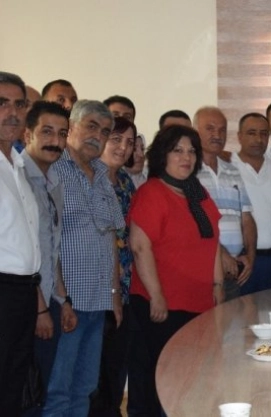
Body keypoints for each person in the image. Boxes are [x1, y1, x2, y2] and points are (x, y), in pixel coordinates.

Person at [128, 124, 224, 415]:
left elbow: (212, 241)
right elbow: (139, 247)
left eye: (192, 151)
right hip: (162, 305)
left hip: (199, 304)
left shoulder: (198, 192)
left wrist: (218, 285)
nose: (186, 157)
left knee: (191, 377)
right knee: (158, 379)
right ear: (162, 155)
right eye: (178, 151)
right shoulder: (152, 192)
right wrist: (156, 295)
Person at [44, 100, 125, 416]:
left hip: (98, 302)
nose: (98, 136)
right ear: (72, 127)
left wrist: (115, 295)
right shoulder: (53, 170)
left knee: (85, 388)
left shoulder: (103, 176)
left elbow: (111, 240)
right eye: (91, 126)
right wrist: (61, 298)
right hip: (67, 303)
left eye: (104, 131)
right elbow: (47, 240)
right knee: (58, 390)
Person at [20, 101, 78, 417]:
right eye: (47, 132)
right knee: (24, 392)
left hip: (48, 300)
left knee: (40, 389)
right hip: (25, 303)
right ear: (27, 134)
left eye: (62, 134)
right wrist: (40, 308)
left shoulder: (53, 180)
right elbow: (24, 253)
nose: (55, 141)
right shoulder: (18, 179)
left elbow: (50, 249)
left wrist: (62, 299)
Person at [0, 71, 42, 416]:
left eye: (19, 104)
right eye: (2, 103)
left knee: (13, 388)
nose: (12, 113)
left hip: (23, 292)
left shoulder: (16, 164)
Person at [93, 116, 138, 417]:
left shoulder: (125, 181)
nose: (123, 147)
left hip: (126, 288)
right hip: (96, 290)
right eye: (116, 139)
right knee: (94, 376)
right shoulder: (89, 178)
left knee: (116, 368)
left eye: (129, 142)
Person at [194, 106, 257, 300]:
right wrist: (221, 253)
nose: (217, 135)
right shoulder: (188, 172)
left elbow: (247, 219)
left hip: (234, 273)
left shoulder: (233, 171)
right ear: (195, 132)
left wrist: (250, 257)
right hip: (203, 272)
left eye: (222, 130)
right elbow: (192, 222)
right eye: (210, 128)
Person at [231, 113, 271, 293]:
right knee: (241, 310)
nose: (258, 139)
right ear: (239, 136)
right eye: (251, 133)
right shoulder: (228, 167)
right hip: (241, 260)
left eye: (264, 134)